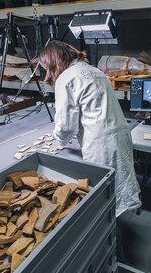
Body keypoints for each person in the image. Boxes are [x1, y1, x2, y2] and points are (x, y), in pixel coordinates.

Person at [39, 41, 141, 218]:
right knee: (121, 181)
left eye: (46, 67)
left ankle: (111, 236)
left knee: (105, 194)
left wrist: (57, 139)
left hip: (101, 142)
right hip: (120, 134)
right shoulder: (94, 70)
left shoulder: (66, 78)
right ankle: (118, 222)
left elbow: (65, 127)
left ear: (52, 62)